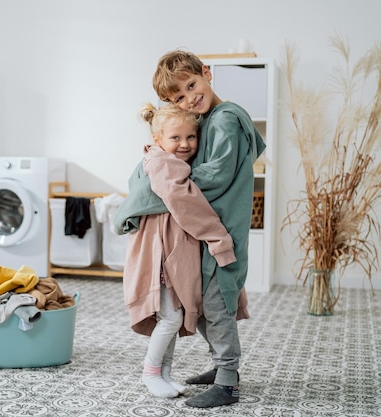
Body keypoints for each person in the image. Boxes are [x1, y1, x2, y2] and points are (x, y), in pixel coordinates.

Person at [151, 49, 266, 408]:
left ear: (206, 73)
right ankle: (222, 368)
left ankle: (228, 383)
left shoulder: (225, 120)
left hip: (223, 235)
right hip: (212, 232)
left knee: (217, 310)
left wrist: (170, 180)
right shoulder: (212, 118)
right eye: (179, 97)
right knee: (202, 306)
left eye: (191, 85)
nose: (189, 98)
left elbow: (215, 177)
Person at [113, 103, 238, 398]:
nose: (184, 144)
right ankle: (151, 373)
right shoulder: (163, 163)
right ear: (158, 139)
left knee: (172, 316)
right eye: (175, 138)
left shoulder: (163, 159)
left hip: (165, 252)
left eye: (191, 137)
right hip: (160, 257)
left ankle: (165, 375)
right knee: (170, 317)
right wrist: (219, 240)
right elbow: (187, 205)